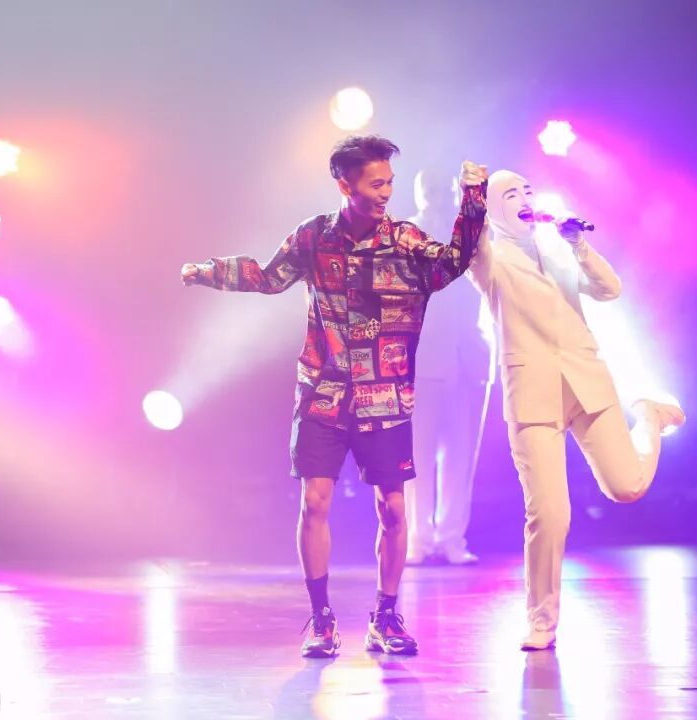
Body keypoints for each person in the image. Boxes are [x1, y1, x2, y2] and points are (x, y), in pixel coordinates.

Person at [180, 135, 487, 657]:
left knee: (394, 508)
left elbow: (454, 261)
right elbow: (268, 277)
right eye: (376, 183)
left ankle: (386, 617)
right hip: (323, 392)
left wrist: (473, 197)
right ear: (345, 185)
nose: (386, 192)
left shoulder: (404, 240)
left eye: (390, 182)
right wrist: (206, 271)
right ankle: (321, 619)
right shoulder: (313, 236)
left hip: (385, 395)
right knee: (314, 502)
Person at [468, 170, 685, 651]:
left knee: (626, 487)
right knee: (549, 514)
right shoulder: (490, 259)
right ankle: (541, 619)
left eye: (527, 190)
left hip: (587, 381)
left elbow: (610, 290)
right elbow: (471, 241)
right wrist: (470, 193)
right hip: (532, 394)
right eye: (510, 195)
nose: (524, 199)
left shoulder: (558, 248)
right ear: (494, 208)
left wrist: (578, 245)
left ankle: (649, 416)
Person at [405, 167, 494, 565]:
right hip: (423, 360)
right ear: (418, 193)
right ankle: (418, 539)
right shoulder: (407, 236)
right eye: (431, 189)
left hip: (466, 361)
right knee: (418, 456)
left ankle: (452, 538)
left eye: (444, 190)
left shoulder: (472, 235)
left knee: (460, 456)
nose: (438, 196)